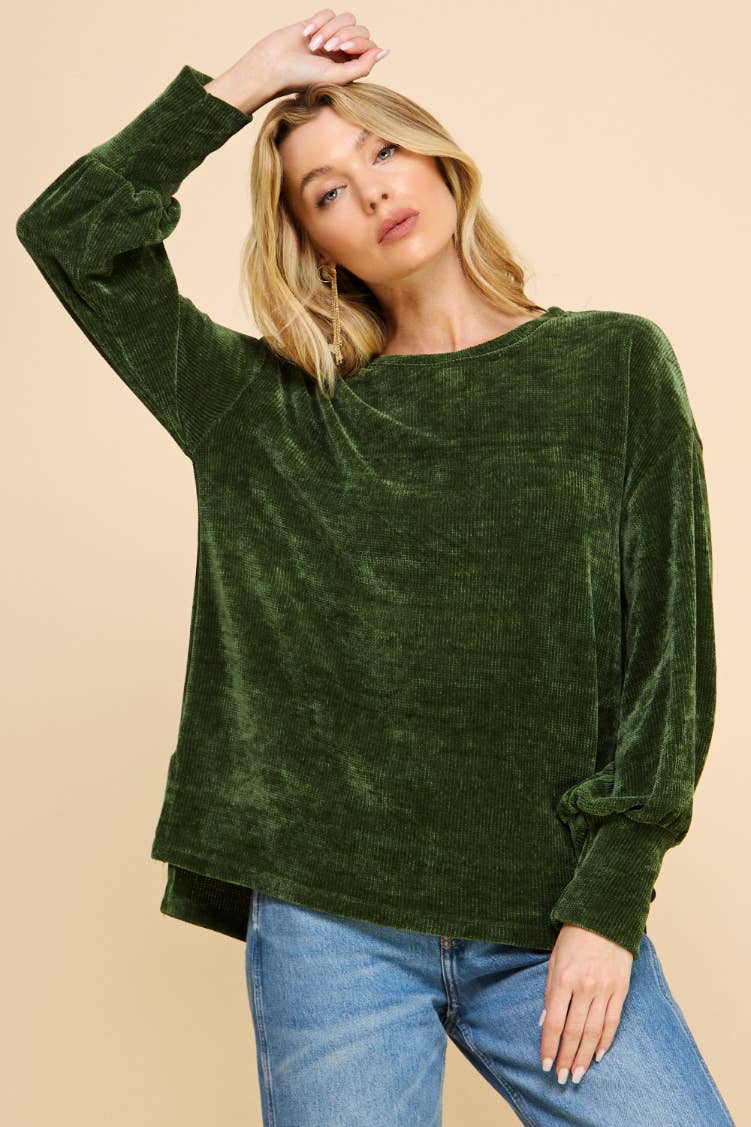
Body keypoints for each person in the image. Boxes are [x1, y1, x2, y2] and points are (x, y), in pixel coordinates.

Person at [16, 10, 735, 1125]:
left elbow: (667, 655)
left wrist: (608, 899)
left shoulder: (613, 365)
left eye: (383, 150)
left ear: (436, 156)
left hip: (544, 909)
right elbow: (70, 232)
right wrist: (250, 81)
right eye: (327, 191)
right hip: (329, 926)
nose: (373, 191)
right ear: (312, 242)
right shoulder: (265, 409)